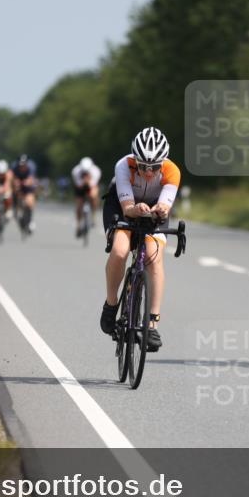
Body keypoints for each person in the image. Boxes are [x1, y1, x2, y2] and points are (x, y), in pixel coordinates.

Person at [99, 127, 181, 352]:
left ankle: (152, 323)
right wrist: (135, 208)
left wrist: (160, 210)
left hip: (153, 211)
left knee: (154, 257)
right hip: (123, 207)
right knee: (119, 250)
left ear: (162, 163)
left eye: (154, 168)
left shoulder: (172, 171)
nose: (147, 172)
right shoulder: (123, 165)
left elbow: (165, 204)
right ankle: (111, 304)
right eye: (143, 166)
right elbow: (127, 209)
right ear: (135, 159)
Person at [72, 156, 102, 236]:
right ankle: (78, 225)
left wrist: (88, 183)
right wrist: (83, 182)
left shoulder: (96, 171)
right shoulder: (76, 171)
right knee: (79, 205)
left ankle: (93, 215)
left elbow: (93, 185)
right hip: (80, 187)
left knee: (93, 196)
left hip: (91, 185)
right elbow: (78, 185)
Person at [10, 154, 38, 232]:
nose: (22, 167)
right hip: (18, 183)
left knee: (30, 201)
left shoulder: (31, 166)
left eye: (24, 165)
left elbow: (31, 179)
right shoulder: (14, 167)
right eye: (20, 165)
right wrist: (15, 183)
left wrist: (26, 182)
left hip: (28, 185)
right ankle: (16, 207)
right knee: (14, 192)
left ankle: (30, 221)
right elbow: (11, 177)